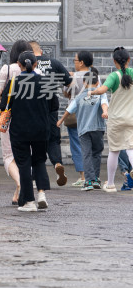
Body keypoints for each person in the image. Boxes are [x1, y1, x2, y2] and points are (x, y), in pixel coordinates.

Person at [0, 51, 55, 212]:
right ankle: (42, 196)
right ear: (36, 64)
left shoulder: (13, 82)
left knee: (24, 164)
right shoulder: (46, 82)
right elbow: (54, 106)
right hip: (41, 129)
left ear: (19, 64)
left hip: (20, 130)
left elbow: (4, 106)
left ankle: (29, 202)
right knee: (39, 161)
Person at [87, 47, 133, 192]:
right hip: (131, 118)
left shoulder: (114, 76)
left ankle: (111, 184)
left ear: (114, 62)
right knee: (130, 147)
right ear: (129, 60)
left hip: (116, 119)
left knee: (114, 151)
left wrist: (92, 91)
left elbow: (102, 90)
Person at [57, 67, 108, 191]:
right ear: (97, 83)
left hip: (84, 130)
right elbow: (104, 104)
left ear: (84, 83)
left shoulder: (79, 97)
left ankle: (89, 181)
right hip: (98, 129)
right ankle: (95, 179)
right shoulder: (101, 94)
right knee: (96, 153)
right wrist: (105, 112)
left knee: (86, 154)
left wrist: (61, 120)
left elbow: (69, 109)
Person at [29, 40, 71, 187]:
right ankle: (57, 163)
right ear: (40, 51)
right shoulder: (54, 63)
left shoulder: (26, 64)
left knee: (34, 142)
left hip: (32, 110)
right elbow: (68, 81)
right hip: (51, 108)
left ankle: (34, 178)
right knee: (53, 139)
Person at [0, 40, 30, 205]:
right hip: (29, 117)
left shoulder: (6, 69)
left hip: (9, 117)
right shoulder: (34, 69)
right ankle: (18, 192)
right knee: (24, 155)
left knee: (8, 155)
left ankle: (21, 184)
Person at [64, 50, 94, 186]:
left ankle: (82, 176)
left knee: (76, 144)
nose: (74, 63)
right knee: (89, 144)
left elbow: (67, 94)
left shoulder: (73, 77)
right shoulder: (95, 76)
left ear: (81, 62)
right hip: (90, 114)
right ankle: (91, 176)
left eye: (75, 61)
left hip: (75, 115)